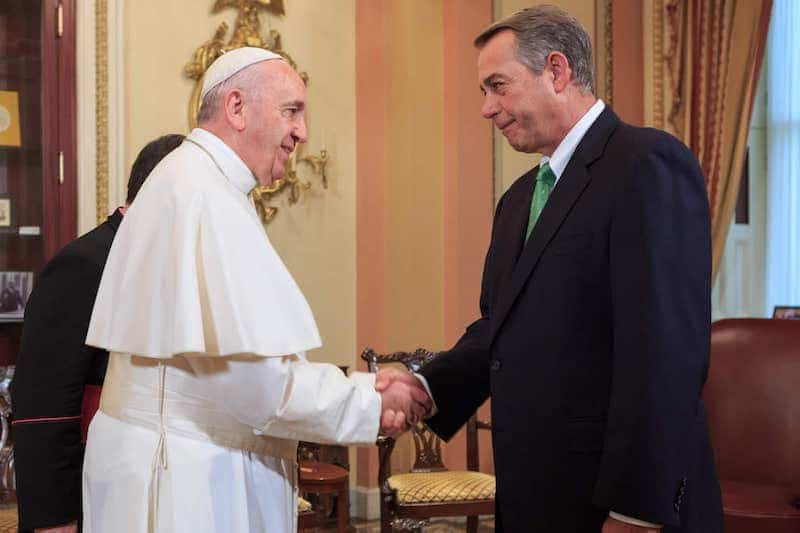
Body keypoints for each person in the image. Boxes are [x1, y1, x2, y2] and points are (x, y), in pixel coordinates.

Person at [377, 6, 722, 532]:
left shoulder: (646, 164)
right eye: (483, 92)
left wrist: (636, 511)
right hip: (537, 494)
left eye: (498, 86)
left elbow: (665, 353)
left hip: (619, 506)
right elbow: (501, 329)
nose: (487, 109)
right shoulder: (518, 200)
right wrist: (425, 387)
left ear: (556, 71)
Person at [81, 47, 428, 533]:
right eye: (292, 111)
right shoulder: (205, 196)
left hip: (167, 461)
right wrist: (372, 398)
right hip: (187, 481)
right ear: (237, 107)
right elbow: (260, 391)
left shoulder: (192, 181)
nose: (302, 133)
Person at [11, 134, 186, 533]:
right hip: (89, 493)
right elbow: (42, 407)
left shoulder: (168, 261)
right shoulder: (83, 264)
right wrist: (55, 520)